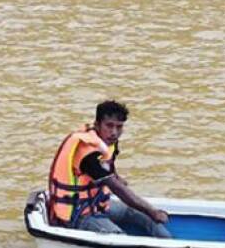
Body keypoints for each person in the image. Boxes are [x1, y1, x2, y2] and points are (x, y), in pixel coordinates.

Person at [46, 100, 171, 238]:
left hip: (97, 204)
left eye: (119, 127)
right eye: (109, 126)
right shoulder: (87, 153)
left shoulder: (108, 142)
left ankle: (170, 244)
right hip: (77, 213)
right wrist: (153, 212)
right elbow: (117, 189)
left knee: (143, 216)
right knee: (119, 237)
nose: (114, 132)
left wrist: (118, 179)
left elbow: (110, 170)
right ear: (97, 124)